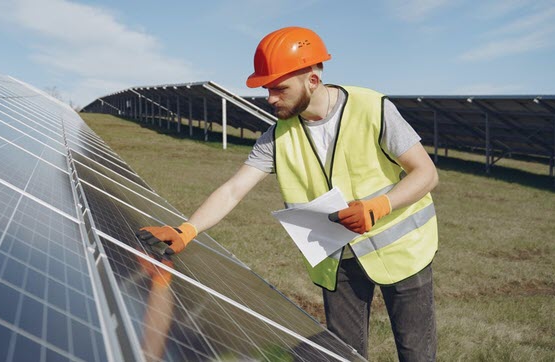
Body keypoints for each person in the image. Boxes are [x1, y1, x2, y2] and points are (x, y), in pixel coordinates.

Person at [135, 26, 439, 361]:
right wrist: (187, 229)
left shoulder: (372, 108)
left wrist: (380, 205)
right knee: (343, 354)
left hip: (403, 251)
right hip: (339, 257)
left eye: (279, 88)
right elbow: (234, 189)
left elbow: (425, 173)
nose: (270, 98)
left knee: (417, 352)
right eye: (268, 89)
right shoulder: (276, 137)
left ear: (312, 79)